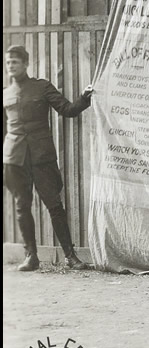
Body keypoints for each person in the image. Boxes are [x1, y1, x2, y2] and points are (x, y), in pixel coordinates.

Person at [3, 45, 94, 271]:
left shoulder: (42, 87)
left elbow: (67, 109)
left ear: (25, 64)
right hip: (15, 159)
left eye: (15, 61)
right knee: (22, 207)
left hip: (41, 156)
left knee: (54, 205)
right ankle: (31, 257)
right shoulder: (5, 94)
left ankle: (71, 257)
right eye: (7, 62)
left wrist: (84, 97)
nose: (10, 66)